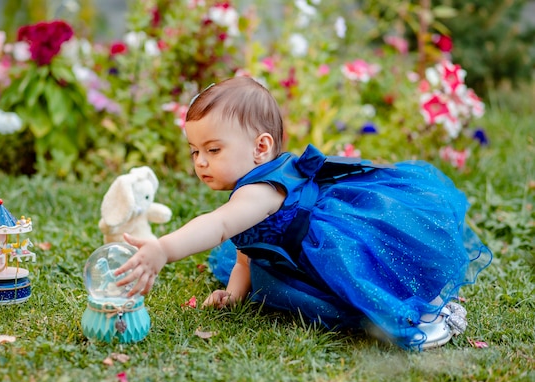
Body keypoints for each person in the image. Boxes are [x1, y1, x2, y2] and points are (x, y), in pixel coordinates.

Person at [113, 76, 492, 350]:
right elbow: (246, 255)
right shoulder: (252, 186)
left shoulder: (257, 193)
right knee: (272, 276)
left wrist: (163, 248)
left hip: (327, 246)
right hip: (296, 246)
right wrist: (233, 295)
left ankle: (422, 319)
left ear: (261, 146)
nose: (200, 162)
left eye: (213, 149)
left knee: (360, 292)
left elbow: (218, 226)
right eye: (195, 151)